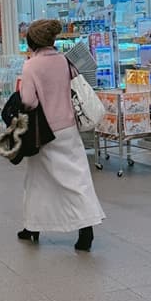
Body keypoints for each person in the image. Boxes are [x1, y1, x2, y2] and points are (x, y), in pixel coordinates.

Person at [16, 19, 104, 252]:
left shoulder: (31, 66)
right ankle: (86, 230)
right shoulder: (65, 61)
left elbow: (28, 101)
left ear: (31, 41)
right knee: (77, 179)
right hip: (68, 128)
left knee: (36, 180)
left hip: (43, 131)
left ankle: (32, 227)